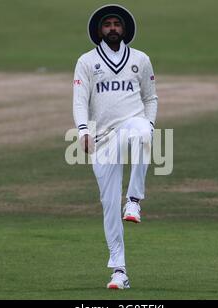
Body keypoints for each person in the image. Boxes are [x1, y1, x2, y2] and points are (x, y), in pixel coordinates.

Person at [72, 4, 158, 289]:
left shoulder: (140, 59)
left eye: (116, 24)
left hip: (132, 122)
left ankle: (134, 200)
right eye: (107, 24)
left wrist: (150, 122)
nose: (112, 28)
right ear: (100, 29)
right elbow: (79, 99)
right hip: (102, 137)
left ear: (124, 29)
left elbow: (151, 99)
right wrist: (83, 130)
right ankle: (119, 271)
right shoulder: (86, 61)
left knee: (145, 134)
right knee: (109, 205)